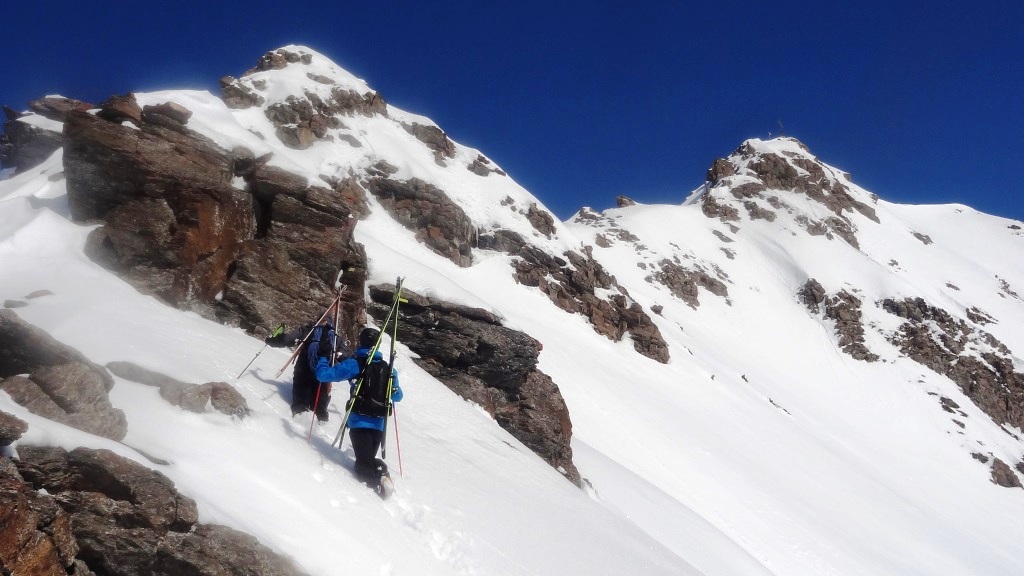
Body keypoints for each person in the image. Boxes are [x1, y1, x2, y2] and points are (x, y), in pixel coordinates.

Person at [315, 326, 402, 495]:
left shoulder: (355, 364)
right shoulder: (389, 369)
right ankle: (381, 473)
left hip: (359, 421)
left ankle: (378, 484)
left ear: (360, 342)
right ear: (377, 345)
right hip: (379, 425)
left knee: (362, 464)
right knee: (366, 458)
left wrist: (323, 359)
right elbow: (398, 397)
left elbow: (324, 376)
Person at [266, 322, 346, 421]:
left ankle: (299, 418)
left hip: (304, 370)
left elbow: (288, 339)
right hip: (323, 375)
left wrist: (272, 341)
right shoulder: (335, 338)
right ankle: (321, 421)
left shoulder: (308, 330)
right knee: (320, 408)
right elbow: (345, 356)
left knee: (301, 404)